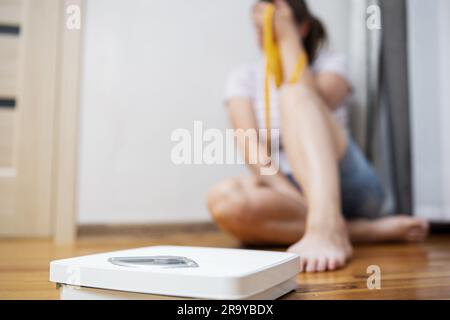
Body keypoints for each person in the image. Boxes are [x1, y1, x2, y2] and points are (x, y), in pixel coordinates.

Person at [207, 0, 429, 272]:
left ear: (302, 27)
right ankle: (357, 231)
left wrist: (286, 36)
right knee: (224, 200)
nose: (263, 35)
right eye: (258, 27)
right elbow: (254, 153)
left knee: (294, 94)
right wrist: (298, 202)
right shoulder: (243, 78)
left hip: (347, 182)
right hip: (291, 191)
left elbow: (309, 96)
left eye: (269, 26)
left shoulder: (331, 63)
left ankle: (326, 225)